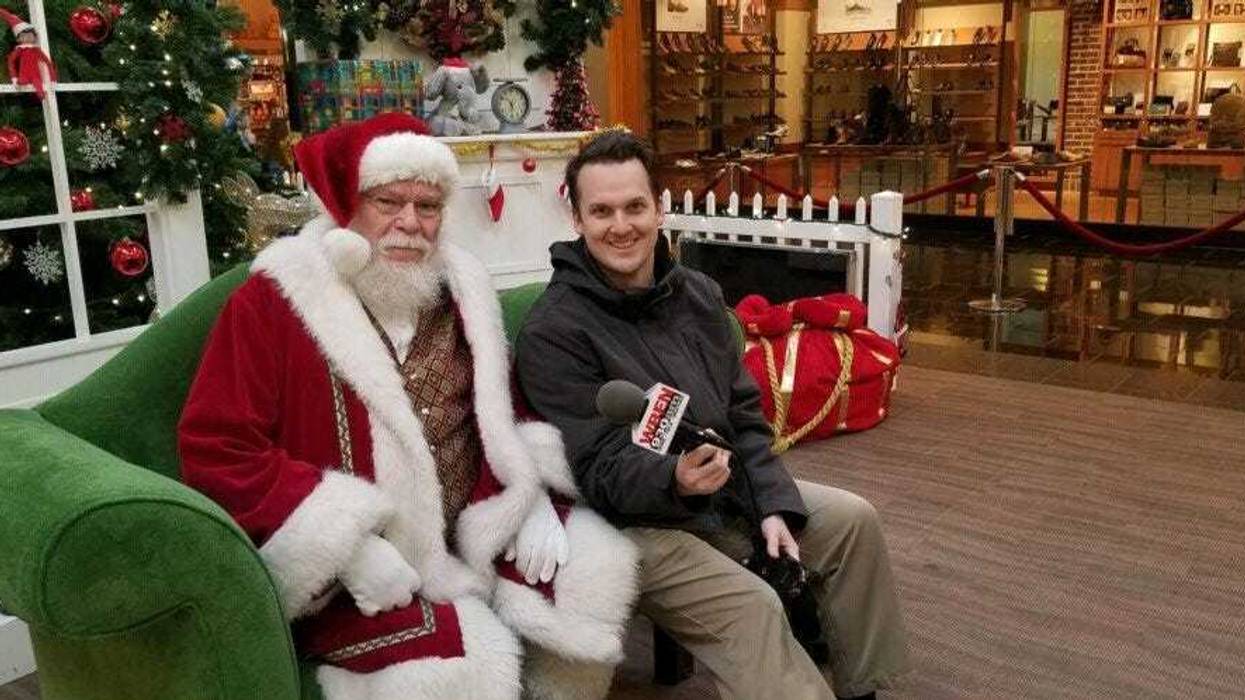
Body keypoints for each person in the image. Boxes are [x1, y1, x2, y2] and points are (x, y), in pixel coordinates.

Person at [178, 113, 637, 700]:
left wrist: (531, 495)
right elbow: (218, 446)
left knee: (591, 570)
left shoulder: (461, 288)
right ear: (348, 204)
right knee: (456, 665)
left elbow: (507, 410)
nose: (410, 225)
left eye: (428, 206)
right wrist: (348, 546)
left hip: (470, 529)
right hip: (369, 569)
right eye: (389, 202)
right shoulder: (273, 302)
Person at [514, 130, 909, 700]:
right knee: (753, 606)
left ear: (661, 208)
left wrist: (771, 501)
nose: (619, 225)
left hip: (722, 490)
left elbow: (744, 415)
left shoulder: (696, 294)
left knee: (853, 522)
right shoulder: (556, 332)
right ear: (576, 217)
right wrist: (673, 478)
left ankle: (863, 688)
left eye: (634, 206)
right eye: (601, 211)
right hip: (628, 523)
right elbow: (595, 468)